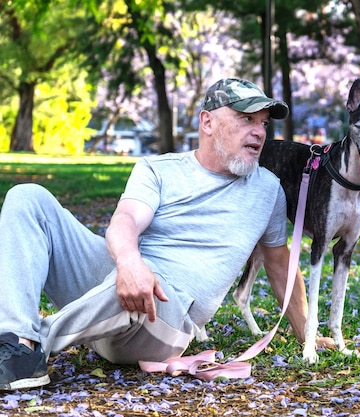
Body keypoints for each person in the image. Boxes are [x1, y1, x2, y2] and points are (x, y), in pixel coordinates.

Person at [0, 77, 329, 391]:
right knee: (28, 197)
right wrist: (129, 263)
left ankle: (26, 347)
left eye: (263, 124)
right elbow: (126, 219)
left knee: (146, 287)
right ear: (207, 122)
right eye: (246, 119)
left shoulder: (267, 189)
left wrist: (307, 334)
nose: (259, 132)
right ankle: (14, 338)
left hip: (165, 321)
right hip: (120, 284)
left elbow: (280, 264)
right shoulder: (159, 169)